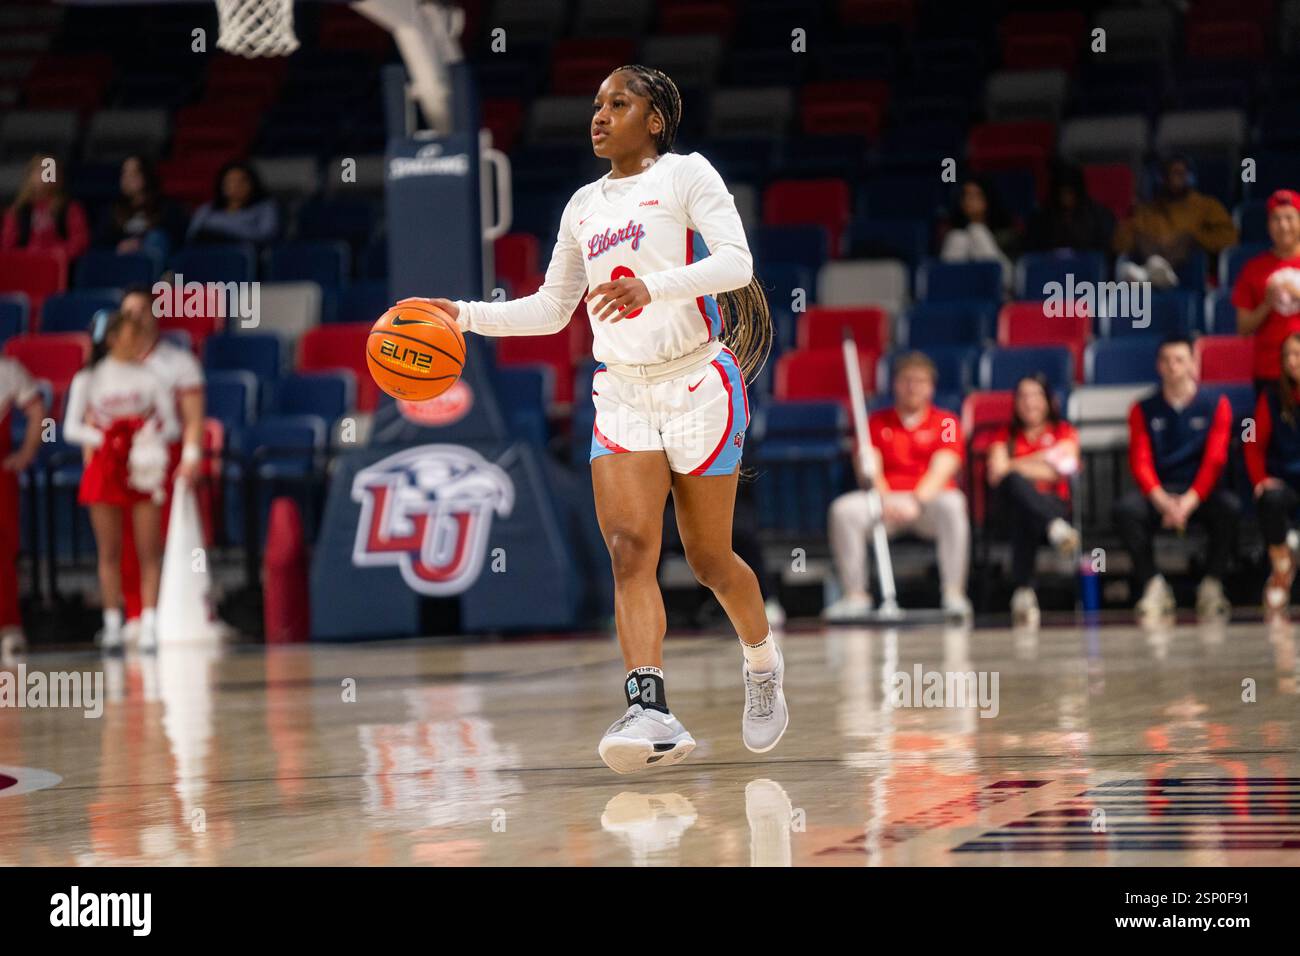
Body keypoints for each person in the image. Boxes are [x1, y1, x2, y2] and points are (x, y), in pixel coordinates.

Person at [395, 65, 782, 774]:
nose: (600, 115)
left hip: (698, 381)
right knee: (630, 548)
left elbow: (736, 263)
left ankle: (761, 667)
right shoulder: (582, 206)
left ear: (655, 120)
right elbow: (549, 309)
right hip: (623, 393)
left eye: (619, 103)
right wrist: (465, 316)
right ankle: (649, 707)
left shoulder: (688, 176)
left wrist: (650, 287)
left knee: (706, 560)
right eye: (597, 104)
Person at [63, 310, 180, 652]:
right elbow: (69, 428)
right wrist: (108, 438)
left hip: (142, 466)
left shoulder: (152, 376)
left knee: (148, 549)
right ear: (112, 338)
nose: (138, 341)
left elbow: (171, 424)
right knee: (109, 550)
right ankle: (112, 622)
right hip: (105, 467)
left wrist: (146, 435)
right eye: (131, 334)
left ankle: (149, 623)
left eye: (140, 335)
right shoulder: (89, 379)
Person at [824, 352, 972, 622]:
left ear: (931, 387)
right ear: (895, 385)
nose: (913, 386)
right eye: (906, 380)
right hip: (885, 503)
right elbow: (867, 466)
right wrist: (886, 499)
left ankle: (953, 593)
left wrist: (916, 501)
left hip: (928, 503)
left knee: (955, 503)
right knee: (843, 510)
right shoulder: (875, 422)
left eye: (920, 381)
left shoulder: (947, 421)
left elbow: (946, 465)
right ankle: (855, 596)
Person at [1111, 336, 1235, 623]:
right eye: (1166, 360)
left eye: (1179, 360)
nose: (1173, 367)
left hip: (1199, 492)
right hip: (1160, 492)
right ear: (1158, 366)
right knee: (1125, 510)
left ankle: (1212, 585)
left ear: (1193, 364)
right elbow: (1140, 461)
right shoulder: (1142, 408)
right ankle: (1153, 584)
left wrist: (1189, 502)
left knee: (1229, 507)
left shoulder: (1216, 404)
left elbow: (1215, 460)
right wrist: (1164, 502)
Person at [116, 286, 207, 633]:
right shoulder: (111, 364)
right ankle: (134, 615)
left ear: (155, 315)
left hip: (162, 457)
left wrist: (191, 455)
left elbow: (193, 417)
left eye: (141, 310)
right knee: (125, 540)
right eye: (128, 313)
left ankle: (170, 612)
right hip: (122, 459)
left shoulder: (178, 362)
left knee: (162, 537)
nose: (135, 318)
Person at [987, 374, 1081, 628]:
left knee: (1024, 505)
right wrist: (1045, 459)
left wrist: (1013, 466)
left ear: (1048, 400)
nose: (1029, 402)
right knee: (1016, 487)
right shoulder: (1004, 435)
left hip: (1054, 503)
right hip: (1013, 513)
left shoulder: (1063, 431)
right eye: (1023, 397)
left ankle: (1023, 592)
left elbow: (1064, 468)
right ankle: (1054, 528)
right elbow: (996, 474)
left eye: (1036, 395)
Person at [1113, 155, 1237, 289]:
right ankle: (1155, 272)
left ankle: (1150, 274)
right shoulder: (1146, 210)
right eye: (1172, 173)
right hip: (1150, 257)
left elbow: (1230, 239)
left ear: (1190, 177)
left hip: (1188, 270)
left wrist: (1197, 237)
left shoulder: (1207, 205)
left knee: (1186, 238)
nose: (1176, 178)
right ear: (1162, 178)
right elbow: (1119, 244)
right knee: (1140, 237)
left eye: (1181, 173)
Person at [1245, 332, 1300, 614]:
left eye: (1297, 354)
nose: (1292, 361)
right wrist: (1260, 479)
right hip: (1287, 480)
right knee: (1270, 498)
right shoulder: (1271, 397)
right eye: (1287, 355)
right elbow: (1251, 442)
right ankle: (1281, 569)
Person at [1232, 188, 1300, 391]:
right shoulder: (1253, 269)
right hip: (1269, 371)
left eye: (1289, 217)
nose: (1283, 226)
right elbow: (1243, 329)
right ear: (1268, 225)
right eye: (1276, 219)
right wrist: (1267, 303)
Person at [0, 356, 45, 661]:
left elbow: (38, 413)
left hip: (1, 476)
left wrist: (26, 453)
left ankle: (9, 626)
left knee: (3, 548)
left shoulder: (8, 370)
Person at [1, 153, 91, 262]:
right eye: (41, 170)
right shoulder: (18, 210)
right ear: (30, 176)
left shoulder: (70, 208)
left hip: (59, 265)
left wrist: (58, 253)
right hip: (25, 264)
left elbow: (80, 242)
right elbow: (7, 245)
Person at [95, 155, 187, 261]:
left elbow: (176, 240)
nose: (126, 179)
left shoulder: (166, 207)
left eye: (133, 174)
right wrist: (119, 246)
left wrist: (141, 243)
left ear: (146, 176)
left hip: (155, 266)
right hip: (120, 264)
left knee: (156, 238)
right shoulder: (114, 210)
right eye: (124, 173)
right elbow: (99, 243)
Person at [939, 177, 1018, 294]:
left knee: (977, 231)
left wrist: (977, 233)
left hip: (999, 293)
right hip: (959, 295)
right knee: (957, 237)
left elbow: (1011, 279)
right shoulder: (954, 235)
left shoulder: (1006, 234)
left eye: (976, 195)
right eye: (966, 195)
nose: (969, 200)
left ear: (987, 199)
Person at [1025, 161, 1115, 256]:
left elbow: (1104, 255)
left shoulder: (1099, 217)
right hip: (1051, 269)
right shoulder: (1040, 218)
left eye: (1070, 192)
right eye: (1062, 192)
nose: (1066, 198)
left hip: (1086, 268)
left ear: (1078, 192)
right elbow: (1032, 255)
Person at [185, 160, 279, 245]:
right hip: (209, 253)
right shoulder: (207, 208)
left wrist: (227, 234)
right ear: (222, 185)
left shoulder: (265, 206)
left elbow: (267, 235)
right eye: (230, 181)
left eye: (241, 181)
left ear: (252, 183)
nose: (236, 186)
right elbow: (192, 235)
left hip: (243, 254)